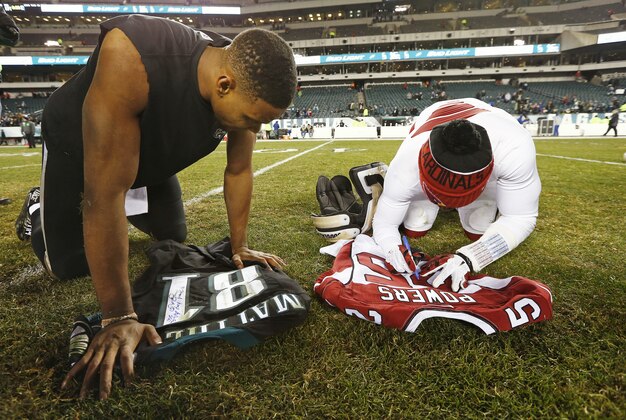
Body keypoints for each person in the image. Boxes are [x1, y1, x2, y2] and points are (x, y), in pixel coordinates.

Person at [15, 14, 296, 399]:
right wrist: (118, 317)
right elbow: (104, 194)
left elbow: (239, 169)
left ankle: (129, 199)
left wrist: (239, 245)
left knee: (173, 239)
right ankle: (36, 209)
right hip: (77, 147)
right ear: (224, 85)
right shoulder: (132, 52)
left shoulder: (237, 75)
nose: (254, 129)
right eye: (251, 119)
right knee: (68, 266)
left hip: (148, 152)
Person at [373, 98, 541, 293]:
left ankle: (477, 200)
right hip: (433, 117)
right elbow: (385, 223)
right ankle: (428, 201)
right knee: (415, 228)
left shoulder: (513, 149)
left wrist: (474, 256)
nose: (447, 205)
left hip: (489, 156)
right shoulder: (405, 164)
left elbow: (521, 217)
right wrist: (391, 246)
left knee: (477, 230)